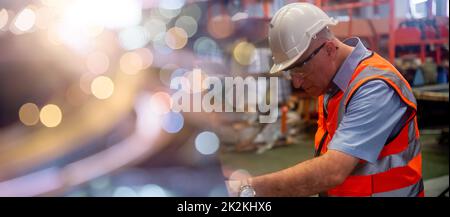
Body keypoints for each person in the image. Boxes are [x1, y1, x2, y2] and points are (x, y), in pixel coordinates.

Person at [227, 2, 423, 197]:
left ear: (329, 49)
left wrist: (244, 188)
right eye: (290, 71)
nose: (296, 83)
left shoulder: (375, 87)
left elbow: (333, 171)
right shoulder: (331, 85)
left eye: (299, 68)